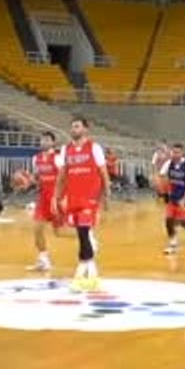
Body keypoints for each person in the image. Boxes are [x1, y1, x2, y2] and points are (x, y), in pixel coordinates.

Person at [53, 118, 111, 291]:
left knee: (84, 233)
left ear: (86, 129)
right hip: (73, 197)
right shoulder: (66, 149)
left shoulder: (94, 147)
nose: (73, 129)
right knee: (81, 234)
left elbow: (103, 172)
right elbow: (62, 175)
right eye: (72, 126)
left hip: (90, 197)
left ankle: (86, 273)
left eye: (77, 126)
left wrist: (106, 193)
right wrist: (57, 196)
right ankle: (89, 271)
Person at [27, 131, 61, 273]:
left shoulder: (58, 158)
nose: (44, 142)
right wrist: (27, 181)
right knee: (37, 230)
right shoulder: (36, 159)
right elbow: (37, 179)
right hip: (43, 199)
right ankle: (43, 260)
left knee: (59, 232)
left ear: (53, 142)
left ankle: (87, 238)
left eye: (47, 140)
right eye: (42, 140)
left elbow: (65, 178)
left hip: (57, 199)